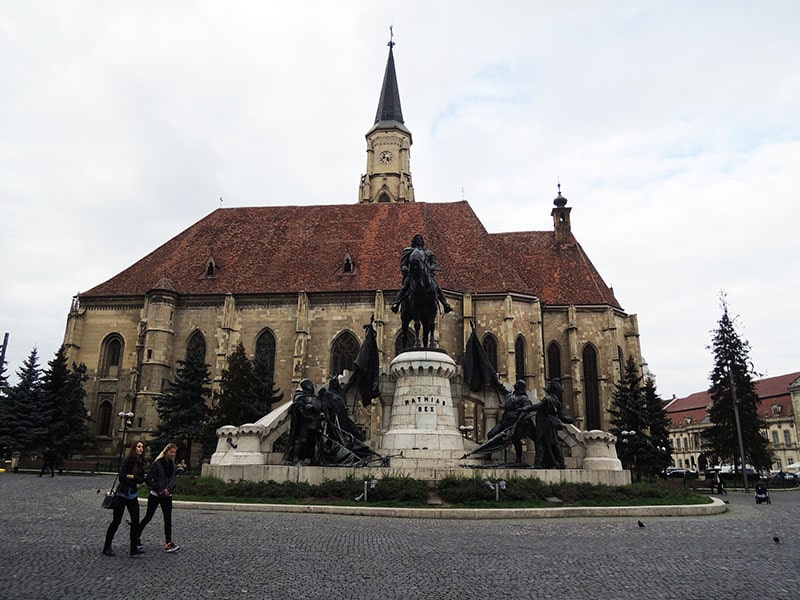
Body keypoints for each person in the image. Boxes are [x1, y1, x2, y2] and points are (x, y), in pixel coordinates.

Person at [138, 443, 184, 553]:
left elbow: (172, 480)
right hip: (155, 494)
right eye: (171, 452)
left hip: (167, 495)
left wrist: (168, 490)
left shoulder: (172, 465)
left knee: (168, 519)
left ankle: (168, 543)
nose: (172, 454)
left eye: (174, 452)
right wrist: (160, 489)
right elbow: (149, 479)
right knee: (148, 516)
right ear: (166, 451)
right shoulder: (157, 464)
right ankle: (136, 536)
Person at [103, 440, 146, 557]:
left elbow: (142, 479)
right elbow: (121, 477)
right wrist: (133, 479)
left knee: (136, 522)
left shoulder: (141, 462)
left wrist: (133, 477)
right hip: (122, 495)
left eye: (142, 447)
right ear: (134, 448)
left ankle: (133, 549)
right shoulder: (127, 461)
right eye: (138, 446)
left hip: (132, 495)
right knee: (116, 521)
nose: (141, 449)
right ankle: (107, 546)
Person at [391, 234, 452, 314]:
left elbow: (433, 262)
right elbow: (403, 263)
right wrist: (405, 268)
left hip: (427, 274)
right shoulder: (408, 251)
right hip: (412, 274)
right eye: (417, 239)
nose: (419, 240)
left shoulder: (428, 252)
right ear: (414, 241)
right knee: (404, 287)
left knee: (437, 287)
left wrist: (432, 267)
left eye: (420, 239)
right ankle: (396, 303)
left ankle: (445, 305)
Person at [487, 380, 535, 464]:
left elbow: (527, 409)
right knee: (491, 434)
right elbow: (501, 388)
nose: (515, 385)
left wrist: (520, 413)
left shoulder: (523, 398)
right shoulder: (510, 395)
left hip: (514, 421)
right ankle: (489, 453)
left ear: (520, 386)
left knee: (516, 441)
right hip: (504, 421)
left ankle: (519, 459)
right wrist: (494, 378)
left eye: (517, 384)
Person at [530, 379, 573, 469]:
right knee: (553, 443)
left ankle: (539, 463)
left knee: (540, 442)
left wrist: (525, 408)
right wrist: (568, 420)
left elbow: (537, 406)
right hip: (551, 424)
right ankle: (560, 463)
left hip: (544, 425)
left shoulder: (547, 399)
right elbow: (562, 416)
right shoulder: (557, 401)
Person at [283, 379, 322, 466]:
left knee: (313, 441)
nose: (311, 386)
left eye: (311, 384)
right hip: (305, 422)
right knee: (302, 440)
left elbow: (318, 408)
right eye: (309, 384)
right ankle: (295, 459)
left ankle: (312, 459)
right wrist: (305, 415)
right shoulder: (300, 396)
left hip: (314, 422)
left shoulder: (314, 397)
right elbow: (297, 407)